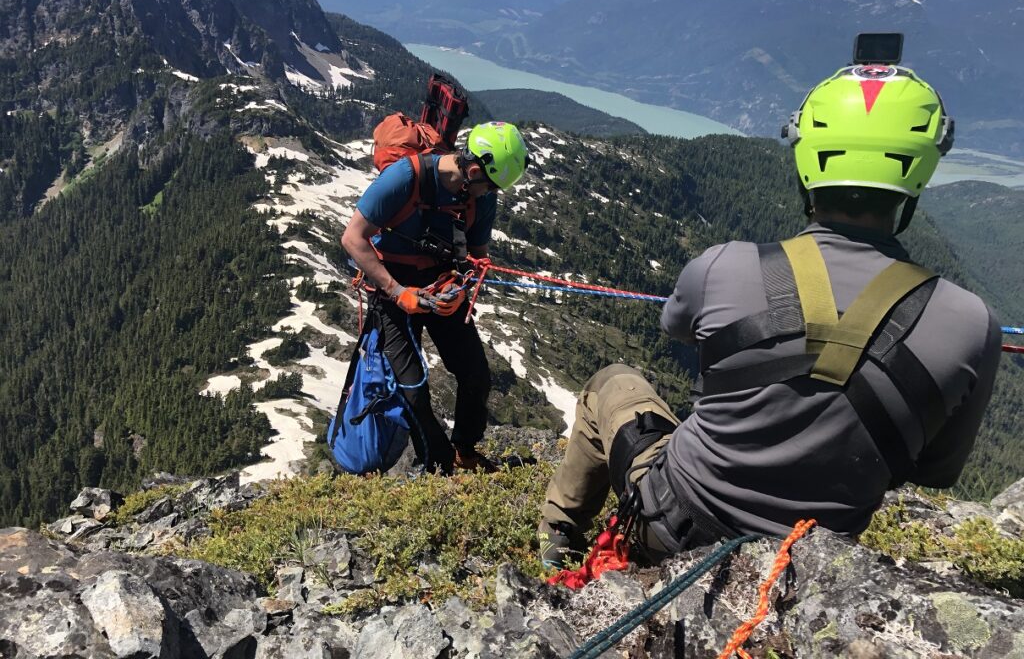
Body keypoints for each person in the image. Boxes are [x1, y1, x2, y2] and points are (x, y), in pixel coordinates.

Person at [538, 62, 1003, 568]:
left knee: (613, 382)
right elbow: (936, 471)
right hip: (807, 565)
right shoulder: (972, 323)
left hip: (673, 528)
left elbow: (675, 326)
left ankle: (558, 543)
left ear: (807, 161)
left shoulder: (722, 265)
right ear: (921, 169)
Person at [342, 121, 530, 474]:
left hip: (442, 284)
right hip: (392, 286)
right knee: (412, 388)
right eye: (486, 185)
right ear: (472, 170)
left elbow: (477, 255)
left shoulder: (481, 197)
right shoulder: (404, 178)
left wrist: (461, 288)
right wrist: (397, 293)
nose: (487, 194)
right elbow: (353, 239)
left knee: (475, 373)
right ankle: (438, 462)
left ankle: (464, 449)